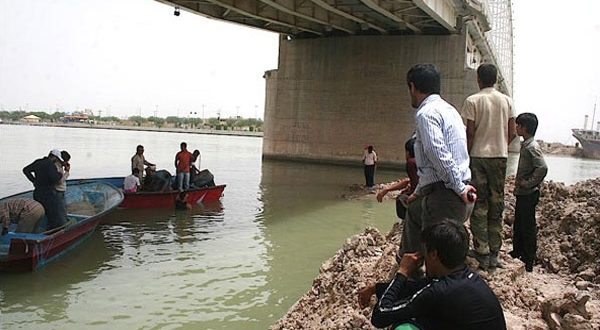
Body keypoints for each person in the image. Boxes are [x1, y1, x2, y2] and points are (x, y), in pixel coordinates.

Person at [360, 220, 506, 330]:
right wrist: (375, 288)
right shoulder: (465, 278)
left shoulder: (439, 292)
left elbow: (380, 316)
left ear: (434, 254)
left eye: (425, 253)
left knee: (403, 327)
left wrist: (402, 272)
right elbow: (417, 289)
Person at [400, 64, 476, 257]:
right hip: (453, 192)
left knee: (436, 260)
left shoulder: (426, 114)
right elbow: (432, 165)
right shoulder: (450, 111)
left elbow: (438, 154)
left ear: (413, 87)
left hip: (448, 197)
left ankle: (420, 277)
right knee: (414, 211)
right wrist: (418, 191)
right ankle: (408, 270)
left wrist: (459, 188)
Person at [460, 63, 516, 270]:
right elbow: (512, 132)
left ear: (478, 79)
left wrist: (467, 155)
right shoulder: (507, 101)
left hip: (478, 156)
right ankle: (495, 253)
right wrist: (501, 147)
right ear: (496, 80)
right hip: (499, 157)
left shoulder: (472, 100)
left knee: (479, 204)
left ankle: (481, 251)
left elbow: (470, 133)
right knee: (496, 204)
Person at [510, 113, 547, 272]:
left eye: (518, 125)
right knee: (519, 223)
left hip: (529, 193)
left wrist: (527, 183)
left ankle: (528, 259)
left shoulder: (532, 147)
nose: (516, 128)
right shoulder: (526, 145)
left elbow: (542, 168)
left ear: (524, 128)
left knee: (527, 226)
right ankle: (517, 252)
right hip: (523, 193)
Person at [22, 149, 66, 230]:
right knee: (54, 215)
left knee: (40, 213)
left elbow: (25, 170)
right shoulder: (50, 164)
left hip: (37, 193)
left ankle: (38, 229)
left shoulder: (38, 162)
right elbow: (55, 179)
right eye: (57, 159)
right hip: (49, 194)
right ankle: (54, 232)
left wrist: (34, 180)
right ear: (54, 157)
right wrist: (60, 174)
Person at [376, 137, 418, 203]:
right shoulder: (421, 162)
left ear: (408, 152)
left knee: (400, 199)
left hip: (421, 196)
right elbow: (409, 180)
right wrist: (387, 188)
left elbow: (415, 185)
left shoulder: (411, 163)